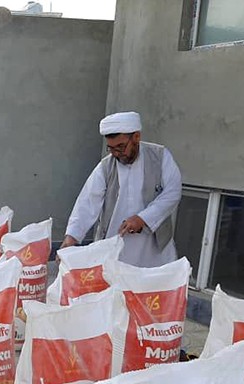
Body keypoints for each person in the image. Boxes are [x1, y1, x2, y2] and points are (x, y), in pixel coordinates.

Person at [61, 111, 182, 267]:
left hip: (154, 248)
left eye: (121, 147)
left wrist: (143, 219)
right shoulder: (106, 166)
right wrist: (71, 237)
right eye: (111, 148)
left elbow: (172, 193)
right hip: (114, 247)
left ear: (136, 137)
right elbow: (87, 202)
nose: (117, 154)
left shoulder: (160, 156)